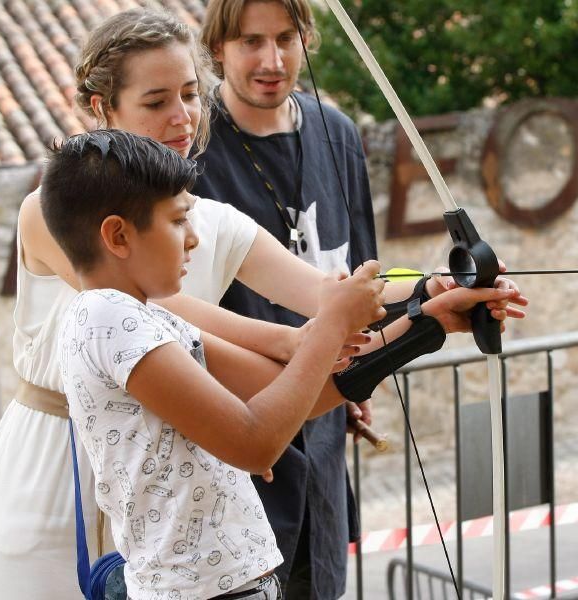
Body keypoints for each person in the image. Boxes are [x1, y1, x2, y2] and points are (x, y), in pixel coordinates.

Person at [0, 7, 527, 600]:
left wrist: (435, 288)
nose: (182, 117)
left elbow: (324, 290)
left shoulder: (205, 221)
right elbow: (159, 314)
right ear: (103, 108)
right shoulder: (57, 213)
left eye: (190, 94)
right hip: (59, 475)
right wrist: (293, 341)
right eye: (156, 101)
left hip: (172, 476)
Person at [42, 128, 519, 598]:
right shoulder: (107, 318)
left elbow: (294, 388)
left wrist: (426, 320)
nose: (193, 240)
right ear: (118, 236)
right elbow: (255, 443)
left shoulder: (146, 317)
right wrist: (331, 323)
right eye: (177, 221)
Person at [194, 1, 530, 596]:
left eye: (286, 38)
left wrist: (437, 289)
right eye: (250, 41)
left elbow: (360, 283)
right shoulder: (190, 145)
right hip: (234, 438)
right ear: (217, 47)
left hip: (322, 427)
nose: (272, 61)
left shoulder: (337, 133)